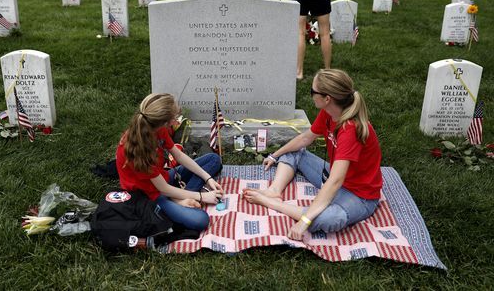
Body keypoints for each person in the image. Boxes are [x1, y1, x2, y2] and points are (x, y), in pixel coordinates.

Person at [243, 69, 383, 240]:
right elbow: (305, 138)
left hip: (359, 195)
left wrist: (304, 221)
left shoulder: (350, 129)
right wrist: (275, 155)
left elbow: (335, 180)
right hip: (335, 176)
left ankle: (272, 202)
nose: (310, 95)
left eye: (312, 92)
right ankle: (274, 190)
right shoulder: (329, 112)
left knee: (329, 219)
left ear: (327, 99)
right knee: (293, 151)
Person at [116, 93, 223, 231]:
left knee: (213, 159)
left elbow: (178, 155)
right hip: (148, 195)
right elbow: (163, 189)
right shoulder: (139, 149)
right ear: (164, 122)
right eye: (174, 118)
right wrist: (203, 196)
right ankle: (178, 200)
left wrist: (207, 178)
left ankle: (180, 198)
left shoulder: (158, 129)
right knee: (201, 220)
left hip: (163, 179)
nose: (176, 121)